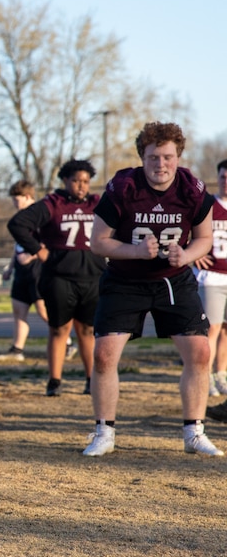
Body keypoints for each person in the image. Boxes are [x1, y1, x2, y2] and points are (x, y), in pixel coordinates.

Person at [82, 121, 221, 457]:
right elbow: (97, 241)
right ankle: (104, 432)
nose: (161, 165)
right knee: (103, 355)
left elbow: (204, 239)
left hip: (173, 279)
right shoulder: (124, 186)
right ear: (142, 157)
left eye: (168, 157)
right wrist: (134, 251)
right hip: (125, 278)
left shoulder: (192, 189)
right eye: (154, 157)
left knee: (200, 352)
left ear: (179, 157)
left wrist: (185, 254)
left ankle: (194, 432)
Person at [8, 160, 105, 397]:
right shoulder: (54, 203)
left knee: (87, 330)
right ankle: (55, 381)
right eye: (75, 181)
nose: (81, 186)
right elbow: (18, 224)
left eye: (85, 181)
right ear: (65, 181)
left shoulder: (98, 203)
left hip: (92, 276)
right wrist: (38, 250)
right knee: (59, 329)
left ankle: (91, 380)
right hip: (59, 277)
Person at [0, 181, 47, 363]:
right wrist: (9, 267)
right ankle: (17, 349)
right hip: (21, 272)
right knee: (19, 309)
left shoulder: (39, 216)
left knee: (43, 309)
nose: (15, 203)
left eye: (18, 200)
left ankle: (67, 342)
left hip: (37, 270)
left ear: (28, 197)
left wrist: (32, 256)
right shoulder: (20, 219)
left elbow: (47, 243)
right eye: (13, 200)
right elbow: (18, 247)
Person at [197, 160, 227, 418]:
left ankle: (221, 375)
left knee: (226, 330)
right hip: (213, 276)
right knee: (213, 328)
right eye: (223, 176)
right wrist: (194, 253)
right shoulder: (208, 205)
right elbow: (188, 230)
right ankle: (205, 375)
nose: (226, 181)